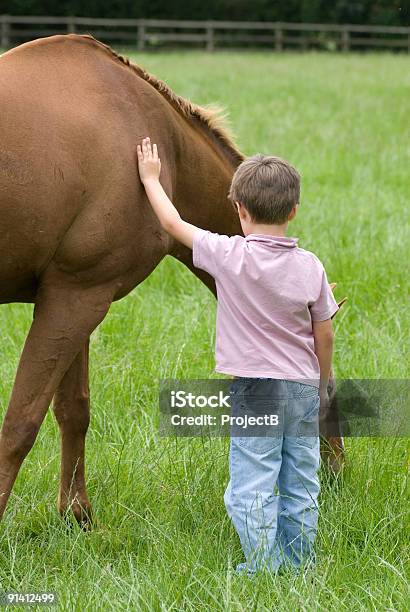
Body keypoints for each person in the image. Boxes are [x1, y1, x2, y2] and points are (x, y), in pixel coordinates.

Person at [136, 137, 338, 575]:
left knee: (251, 485)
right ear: (293, 211)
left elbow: (173, 224)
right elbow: (324, 331)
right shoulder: (311, 267)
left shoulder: (229, 255)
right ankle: (300, 563)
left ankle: (263, 567)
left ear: (240, 212)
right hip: (303, 388)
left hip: (255, 392)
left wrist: (151, 179)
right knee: (301, 482)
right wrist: (324, 383)